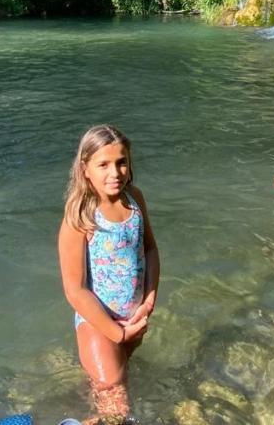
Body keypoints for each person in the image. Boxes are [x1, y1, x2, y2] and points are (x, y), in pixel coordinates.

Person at [57, 125, 160, 423]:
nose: (114, 172)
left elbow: (151, 249)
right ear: (85, 168)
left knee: (108, 390)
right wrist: (117, 332)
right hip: (98, 324)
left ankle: (79, 415)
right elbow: (74, 290)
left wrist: (149, 299)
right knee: (116, 406)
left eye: (121, 161)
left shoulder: (135, 200)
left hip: (132, 317)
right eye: (103, 164)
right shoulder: (80, 217)